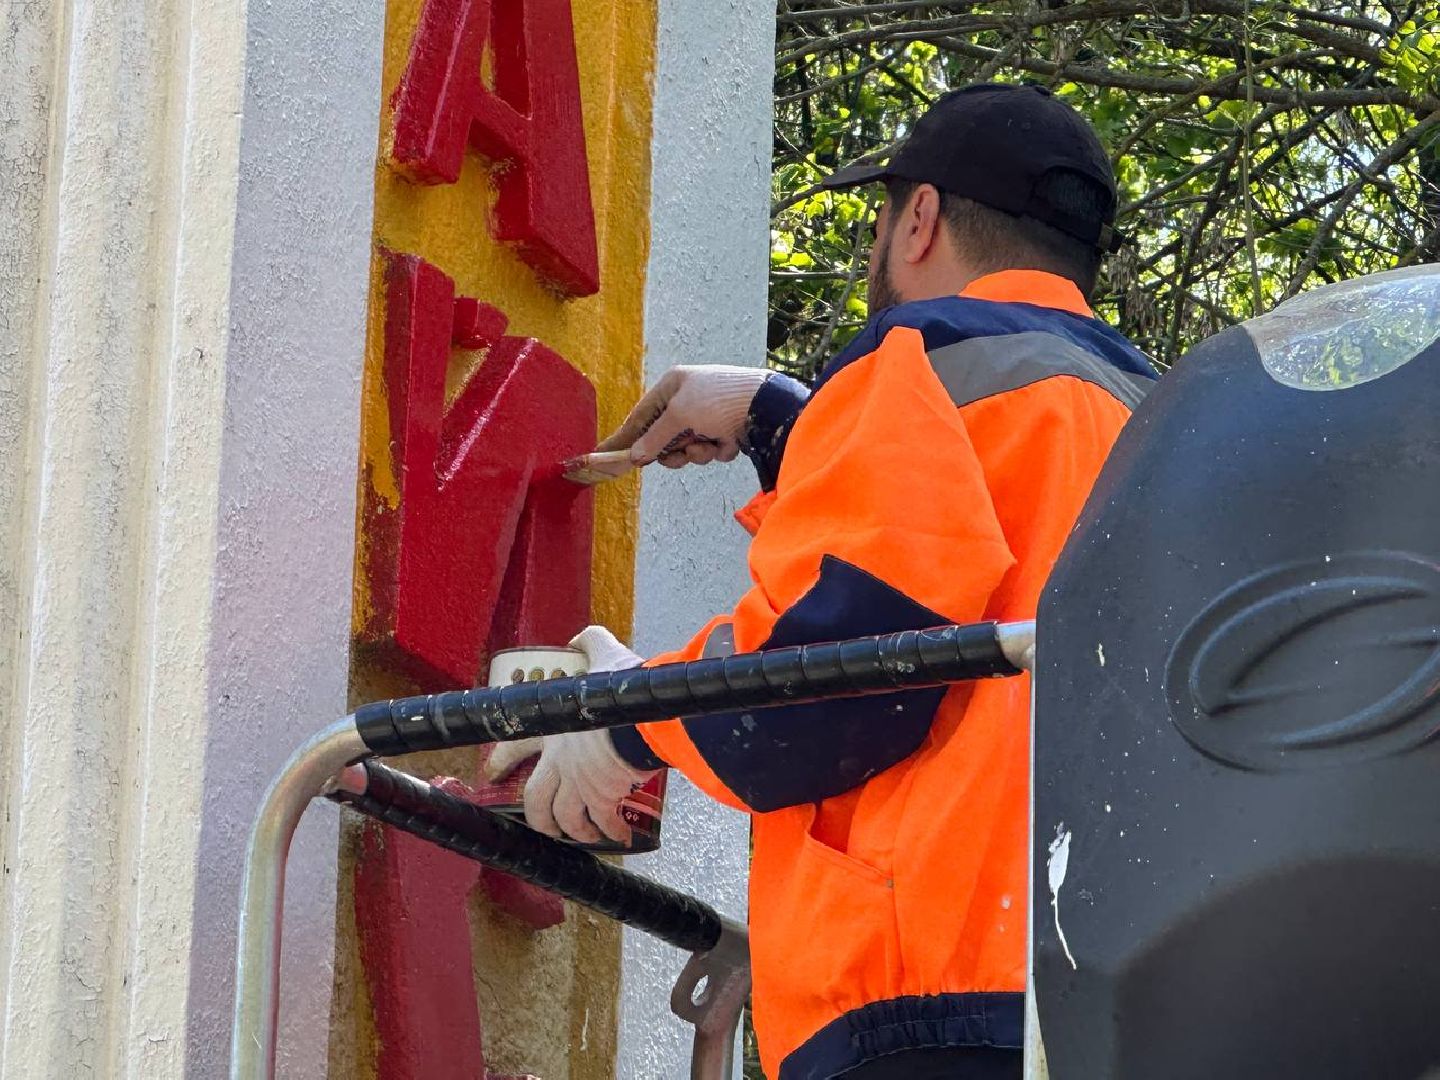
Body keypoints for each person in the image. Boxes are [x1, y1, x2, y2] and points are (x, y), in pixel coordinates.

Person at [488, 83, 1157, 1079]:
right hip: (1115, 1008)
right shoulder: (1154, 419)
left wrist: (623, 721)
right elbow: (985, 563)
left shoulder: (915, 366)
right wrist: (782, 423)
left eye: (881, 219)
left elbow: (833, 681)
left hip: (927, 1006)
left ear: (920, 217)